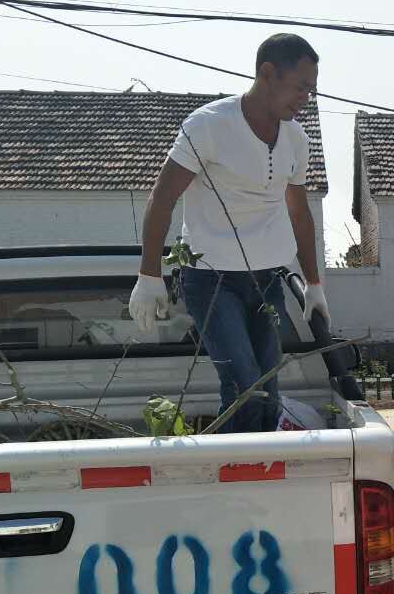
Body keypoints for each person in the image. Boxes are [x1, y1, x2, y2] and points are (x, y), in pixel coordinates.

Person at [127, 33, 330, 432]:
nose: (305, 98)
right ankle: (233, 465)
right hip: (211, 279)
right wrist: (149, 274)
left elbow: (299, 212)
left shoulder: (296, 140)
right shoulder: (208, 125)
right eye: (300, 87)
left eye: (311, 90)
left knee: (267, 391)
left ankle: (258, 464)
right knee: (243, 386)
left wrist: (314, 283)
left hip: (267, 279)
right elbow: (162, 198)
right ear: (268, 73)